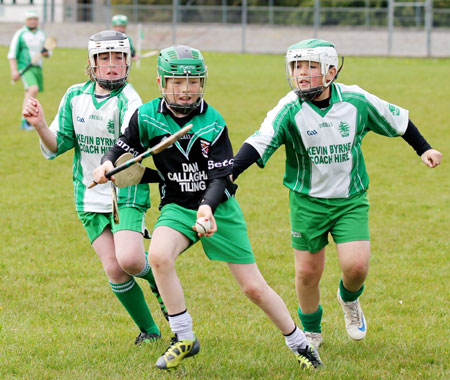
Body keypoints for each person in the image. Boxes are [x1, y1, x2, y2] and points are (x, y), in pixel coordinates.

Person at [93, 45, 324, 371]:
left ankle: (298, 341)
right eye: (177, 82)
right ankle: (184, 337)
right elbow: (124, 146)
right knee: (158, 257)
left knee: (253, 288)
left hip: (219, 209)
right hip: (176, 205)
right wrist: (105, 165)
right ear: (161, 82)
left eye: (193, 82)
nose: (186, 91)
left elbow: (221, 178)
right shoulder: (146, 115)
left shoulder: (212, 122)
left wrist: (207, 208)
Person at [232, 39, 443, 349]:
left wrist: (423, 148)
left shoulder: (356, 100)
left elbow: (396, 119)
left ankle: (349, 299)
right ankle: (312, 333)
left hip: (350, 200)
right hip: (307, 203)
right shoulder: (289, 107)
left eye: (310, 66)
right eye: (296, 66)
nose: (301, 74)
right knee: (307, 273)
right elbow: (260, 140)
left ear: (331, 71)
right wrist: (233, 170)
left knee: (356, 267)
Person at [22, 30, 167, 346]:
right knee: (115, 270)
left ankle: (161, 284)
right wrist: (40, 126)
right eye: (105, 58)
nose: (112, 65)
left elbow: (127, 150)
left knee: (129, 259)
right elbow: (57, 145)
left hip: (126, 190)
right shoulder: (75, 96)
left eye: (119, 58)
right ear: (93, 62)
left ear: (128, 63)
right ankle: (150, 331)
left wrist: (109, 167)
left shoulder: (130, 100)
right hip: (87, 194)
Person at [8, 9, 50, 130]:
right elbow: (12, 54)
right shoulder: (20, 34)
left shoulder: (42, 34)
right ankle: (25, 120)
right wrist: (14, 71)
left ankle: (27, 120)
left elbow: (47, 52)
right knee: (33, 89)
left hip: (37, 68)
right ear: (26, 21)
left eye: (35, 19)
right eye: (30, 19)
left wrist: (46, 53)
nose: (32, 21)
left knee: (30, 94)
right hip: (25, 68)